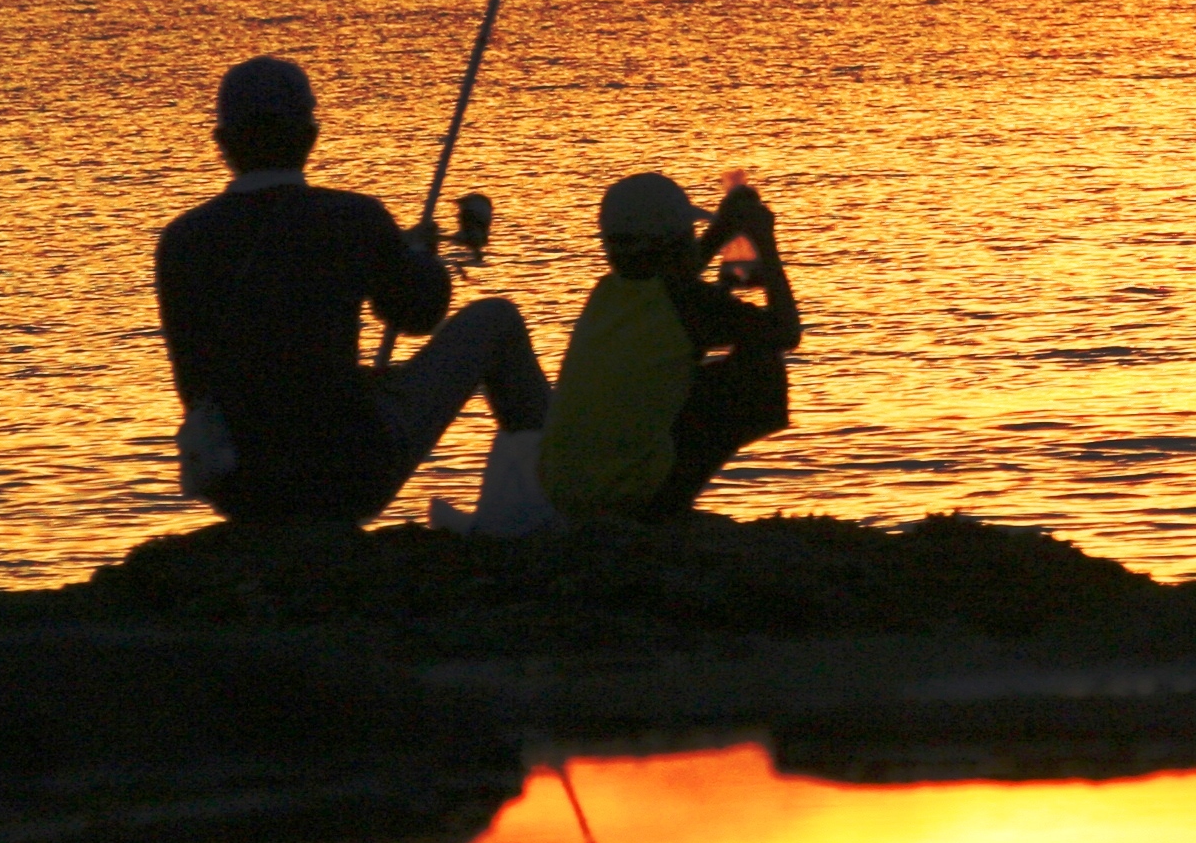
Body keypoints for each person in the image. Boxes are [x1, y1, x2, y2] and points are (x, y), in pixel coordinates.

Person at [155, 55, 549, 525]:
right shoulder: (352, 217)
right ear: (310, 136)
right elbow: (420, 312)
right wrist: (417, 258)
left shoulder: (180, 241)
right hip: (346, 476)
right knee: (496, 320)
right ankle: (551, 498)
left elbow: (205, 381)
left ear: (222, 142)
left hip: (238, 488)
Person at [532, 171, 802, 524]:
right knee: (761, 365)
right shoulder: (687, 303)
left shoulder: (606, 294)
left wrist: (721, 230)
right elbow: (786, 331)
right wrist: (765, 242)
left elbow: (675, 275)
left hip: (563, 492)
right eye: (688, 235)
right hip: (629, 497)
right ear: (673, 244)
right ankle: (667, 511)